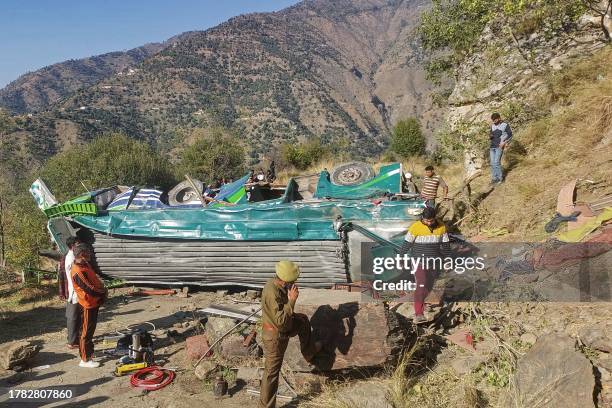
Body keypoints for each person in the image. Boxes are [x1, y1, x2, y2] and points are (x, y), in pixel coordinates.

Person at [259, 260, 321, 408]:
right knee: (271, 375)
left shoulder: (277, 285)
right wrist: (292, 300)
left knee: (303, 321)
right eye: (292, 281)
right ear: (284, 280)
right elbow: (280, 321)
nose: (294, 283)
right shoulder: (271, 292)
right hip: (275, 336)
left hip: (283, 327)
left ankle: (308, 352)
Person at [400, 207, 451, 323]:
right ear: (422, 218)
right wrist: (401, 257)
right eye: (426, 220)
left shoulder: (441, 227)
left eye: (431, 221)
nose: (428, 223)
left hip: (433, 261)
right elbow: (406, 244)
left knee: (429, 285)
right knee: (421, 284)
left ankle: (422, 302)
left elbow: (446, 246)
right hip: (418, 260)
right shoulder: (416, 227)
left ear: (434, 218)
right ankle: (419, 313)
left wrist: (448, 260)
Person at [70, 244, 107, 368]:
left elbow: (94, 280)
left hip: (94, 302)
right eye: (87, 253)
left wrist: (102, 288)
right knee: (85, 332)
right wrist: (102, 292)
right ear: (81, 255)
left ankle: (89, 354)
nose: (90, 255)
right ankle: (85, 360)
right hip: (87, 304)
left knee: (90, 331)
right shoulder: (77, 271)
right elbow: (89, 288)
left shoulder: (85, 264)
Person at [58, 237, 81, 349]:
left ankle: (74, 339)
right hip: (74, 292)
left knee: (75, 316)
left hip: (75, 291)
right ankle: (72, 342)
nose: (79, 245)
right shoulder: (71, 258)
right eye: (78, 244)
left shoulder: (72, 256)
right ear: (73, 246)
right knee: (72, 317)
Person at [489, 112, 512, 184]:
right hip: (492, 147)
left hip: (499, 146)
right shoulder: (492, 126)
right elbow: (491, 134)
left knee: (496, 162)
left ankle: (500, 179)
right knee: (492, 163)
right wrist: (490, 136)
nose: (494, 121)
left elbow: (510, 135)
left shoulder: (505, 125)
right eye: (493, 120)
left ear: (499, 118)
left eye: (495, 119)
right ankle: (494, 178)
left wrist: (504, 143)